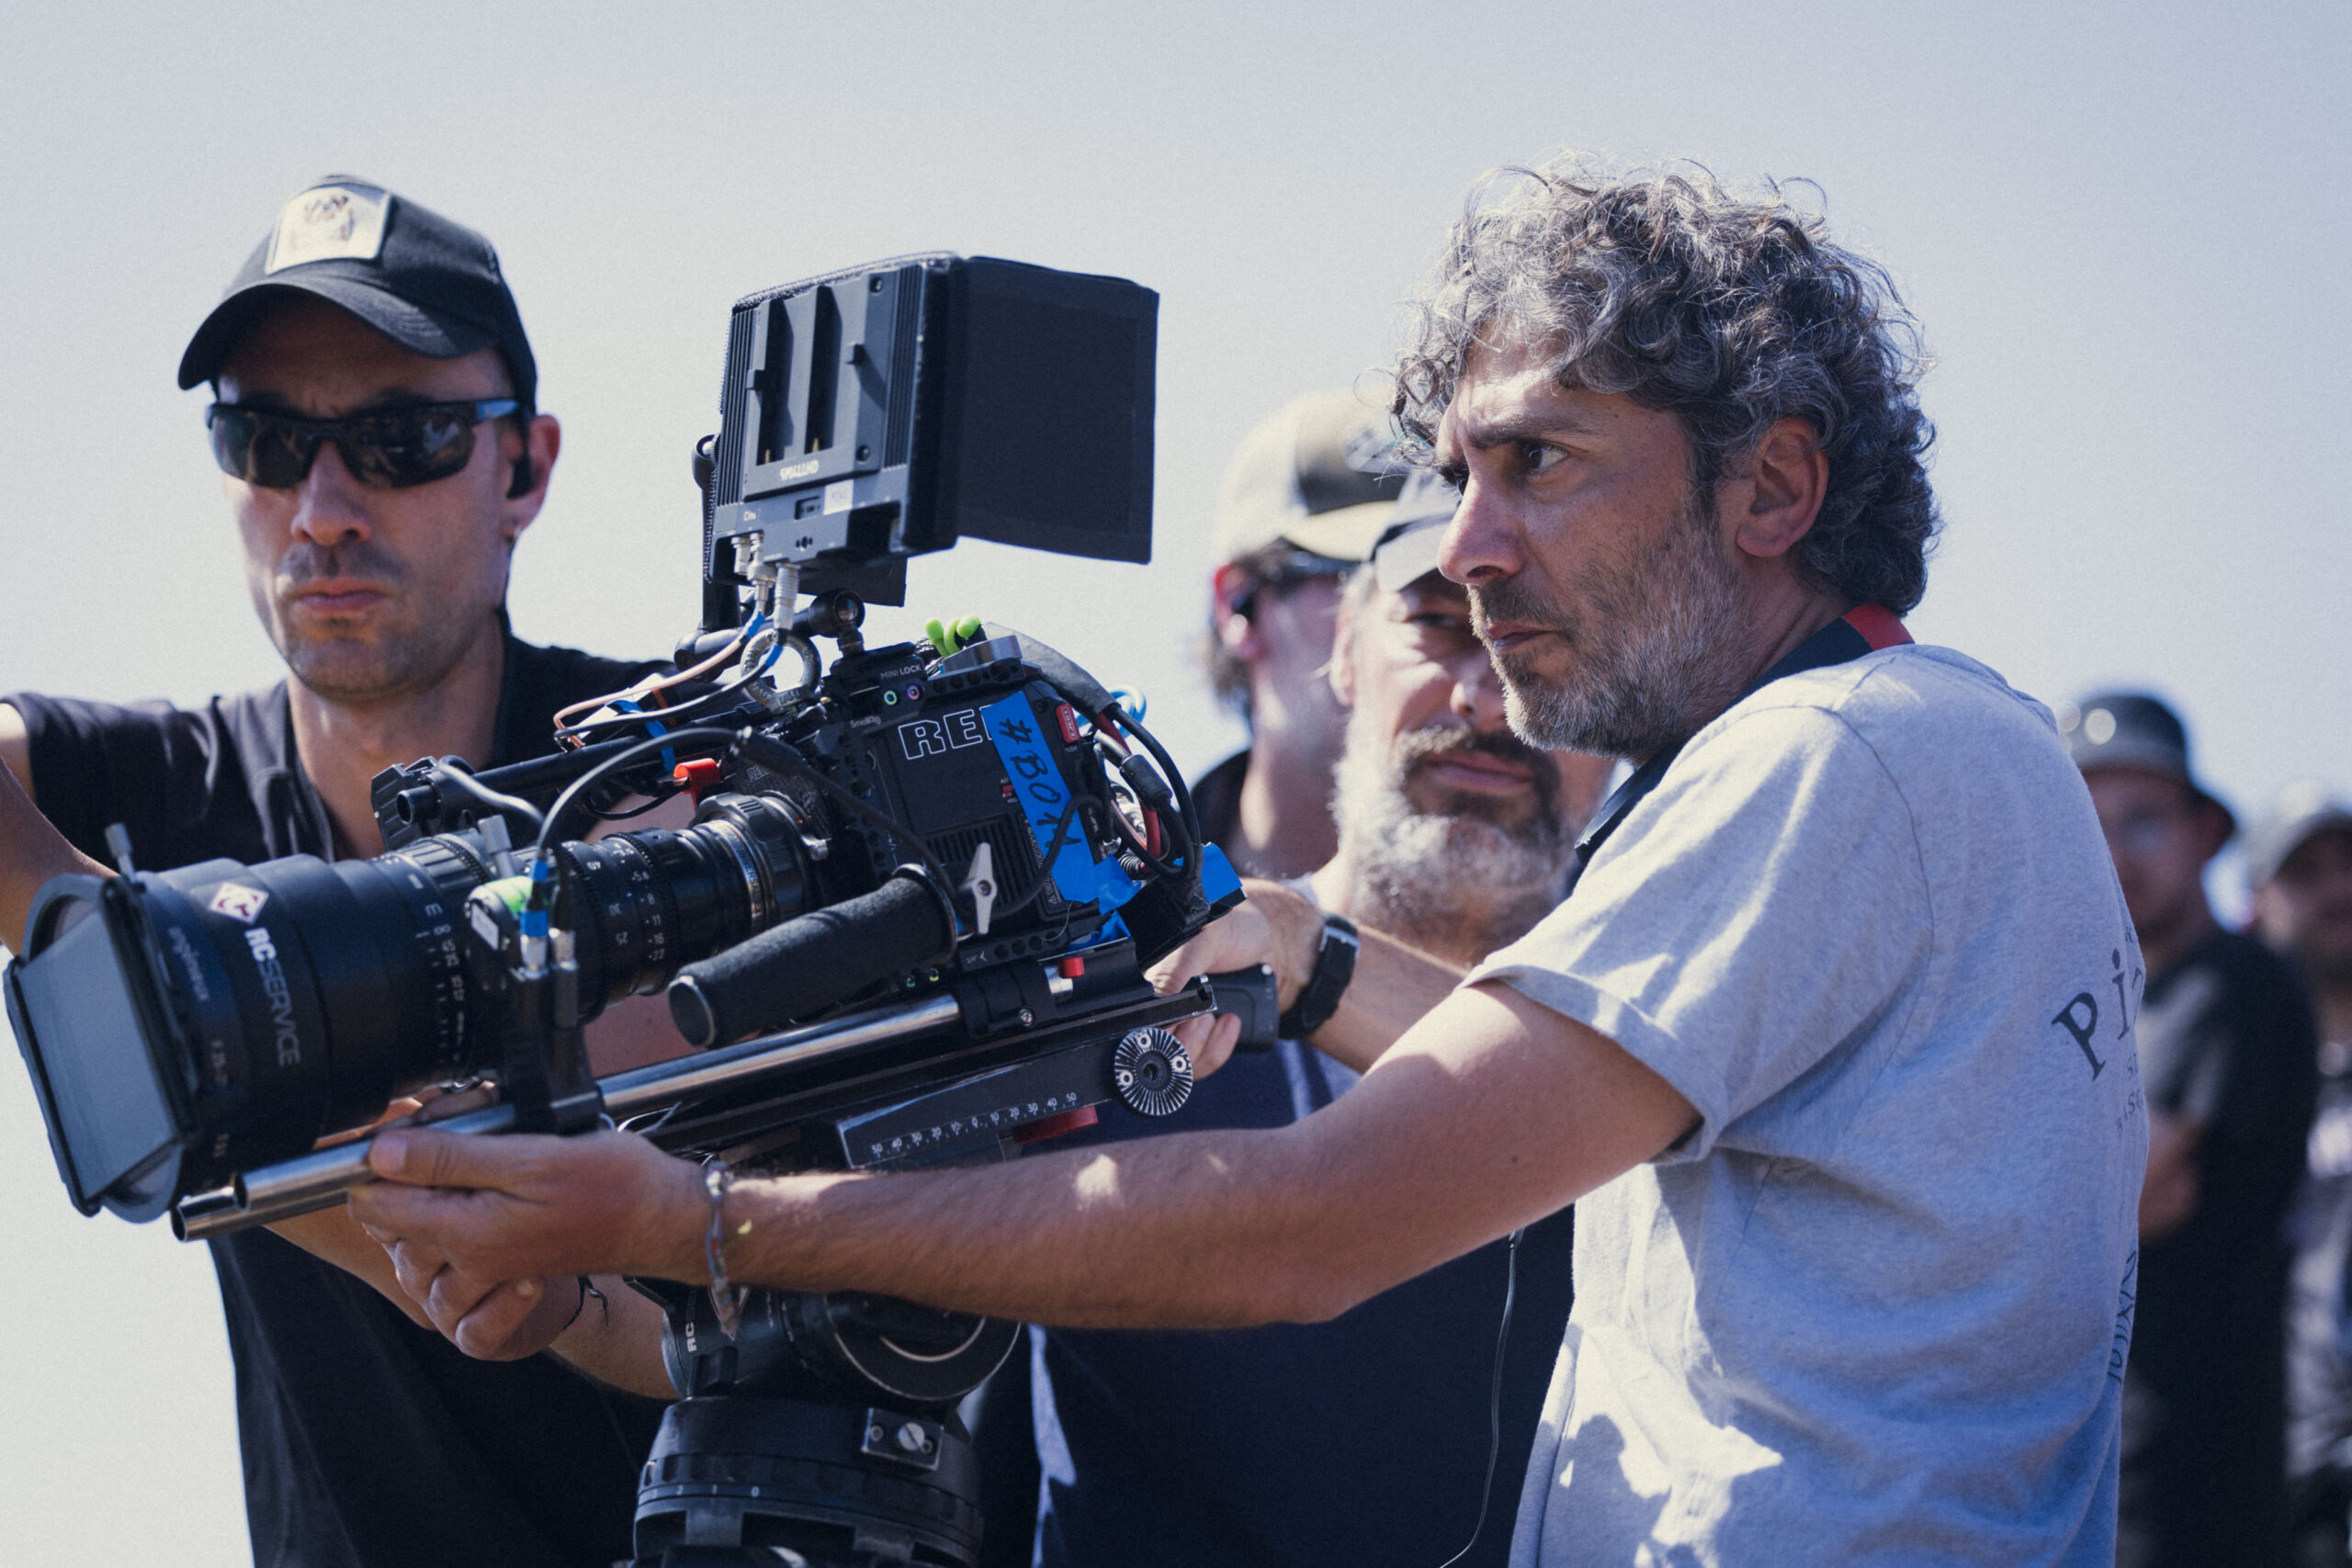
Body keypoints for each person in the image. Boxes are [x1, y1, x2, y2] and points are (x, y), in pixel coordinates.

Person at [351, 157, 2145, 1564]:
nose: (1472, 548)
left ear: (1769, 491)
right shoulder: (1938, 753)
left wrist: (696, 1220)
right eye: (1458, 475)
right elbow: (1558, 1091)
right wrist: (1308, 953)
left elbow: (1315, 1223)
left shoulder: (1823, 759)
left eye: (1537, 463)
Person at [0, 176, 676, 1567]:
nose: (320, 511)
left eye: (400, 439)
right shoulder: (158, 793)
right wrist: (128, 973)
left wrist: (187, 1047)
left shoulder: (673, 771)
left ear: (525, 468)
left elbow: (804, 1297)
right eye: (262, 440)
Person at [1017, 481, 1610, 1568]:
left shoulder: (1700, 1036)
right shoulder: (1133, 978)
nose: (1490, 699)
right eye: (1443, 624)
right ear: (1343, 651)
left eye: (1557, 639)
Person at [2064, 692, 2319, 1566]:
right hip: (2096, 1481)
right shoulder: (2115, 1004)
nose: (2113, 852)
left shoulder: (2235, 982)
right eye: (2088, 824)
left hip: (2190, 1492)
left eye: (2142, 821)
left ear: (2206, 832)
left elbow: (2137, 1191)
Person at [1193, 388, 1405, 878]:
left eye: (1452, 592)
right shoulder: (1105, 896)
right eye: (1364, 580)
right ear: (1239, 605)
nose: (1408, 620)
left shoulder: (1572, 904)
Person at [2243, 784, 2352, 1562]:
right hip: (2277, 1486)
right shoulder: (2224, 1090)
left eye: (2351, 863)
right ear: (2256, 905)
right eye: (2306, 872)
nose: (2339, 888)